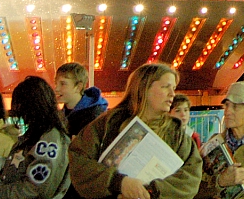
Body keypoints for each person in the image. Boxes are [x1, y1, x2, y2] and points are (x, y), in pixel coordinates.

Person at [69, 63, 203, 199]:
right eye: (165, 87)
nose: (172, 94)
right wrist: (118, 182)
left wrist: (151, 191)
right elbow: (79, 160)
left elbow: (191, 176)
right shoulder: (108, 123)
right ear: (143, 88)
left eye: (174, 88)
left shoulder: (177, 134)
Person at [0, 76, 70, 199]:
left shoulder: (50, 139)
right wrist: (6, 163)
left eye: (22, 106)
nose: (19, 112)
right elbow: (27, 165)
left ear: (35, 106)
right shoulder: (38, 134)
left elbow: (36, 189)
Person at [54, 63, 108, 138]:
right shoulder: (60, 115)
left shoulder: (94, 117)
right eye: (56, 83)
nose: (56, 89)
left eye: (63, 84)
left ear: (78, 87)